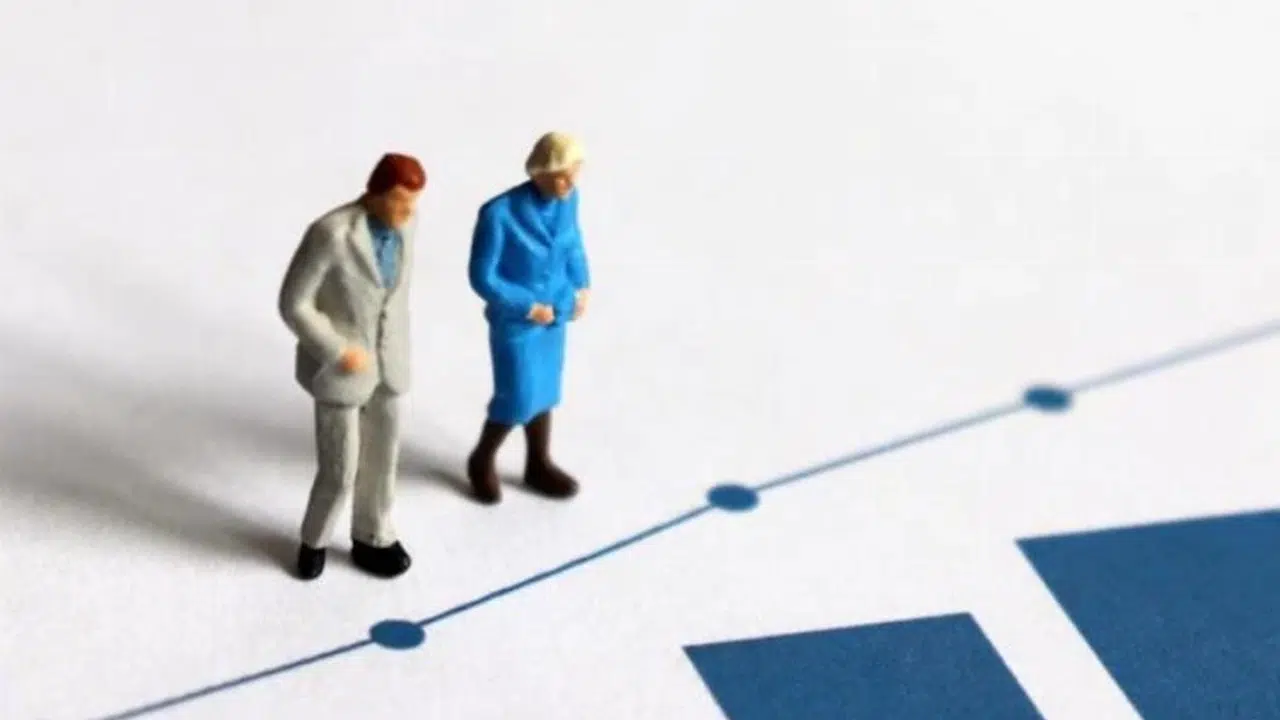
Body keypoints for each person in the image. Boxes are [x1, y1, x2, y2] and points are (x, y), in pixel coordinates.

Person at [278, 153, 425, 580]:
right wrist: (336, 349)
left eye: (413, 202)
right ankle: (314, 540)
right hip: (343, 370)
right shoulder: (331, 234)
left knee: (384, 460)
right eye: (400, 201)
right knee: (340, 469)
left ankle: (373, 535)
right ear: (375, 194)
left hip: (390, 363)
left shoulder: (409, 225)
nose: (407, 211)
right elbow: (294, 303)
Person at [466, 132, 591, 504]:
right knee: (517, 395)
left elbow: (573, 243)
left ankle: (538, 462)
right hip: (517, 323)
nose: (569, 184)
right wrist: (526, 305)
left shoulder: (569, 200)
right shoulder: (498, 214)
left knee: (545, 391)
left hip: (555, 315)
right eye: (561, 176)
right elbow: (483, 276)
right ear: (539, 173)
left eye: (574, 174)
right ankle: (482, 458)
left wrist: (582, 285)